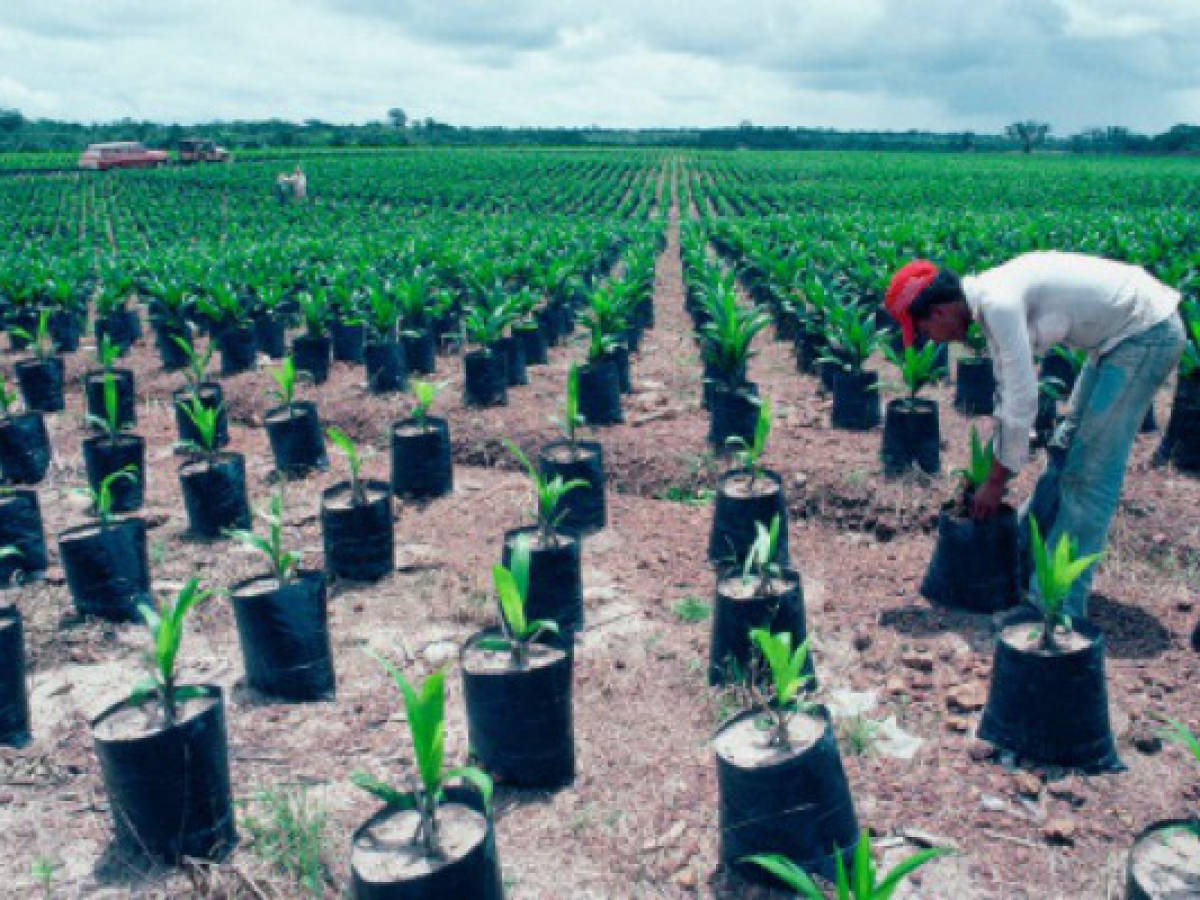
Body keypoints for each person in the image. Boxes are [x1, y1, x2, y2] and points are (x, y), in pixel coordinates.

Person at [884, 251, 1184, 617]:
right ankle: (1023, 560)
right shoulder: (990, 302)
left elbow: (1023, 401)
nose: (932, 341)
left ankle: (1056, 609)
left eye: (925, 331)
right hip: (1117, 339)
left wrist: (995, 481)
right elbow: (1008, 394)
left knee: (1089, 475)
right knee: (1065, 451)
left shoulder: (999, 304)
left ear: (939, 312)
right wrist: (999, 465)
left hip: (1145, 333)